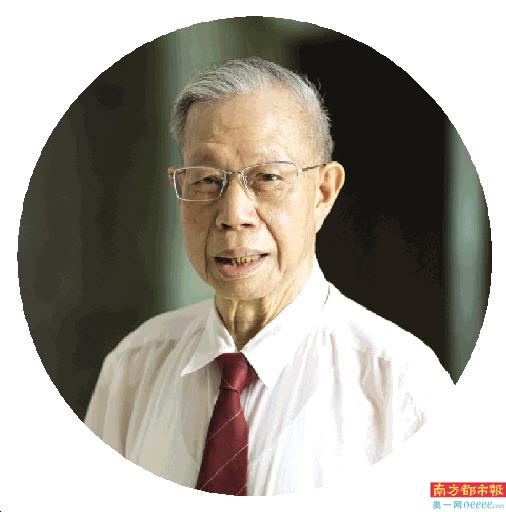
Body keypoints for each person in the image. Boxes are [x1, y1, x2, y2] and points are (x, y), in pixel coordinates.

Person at [84, 57, 454, 496]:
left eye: (267, 177)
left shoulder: (401, 383)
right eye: (206, 180)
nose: (233, 215)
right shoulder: (134, 367)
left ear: (323, 193)